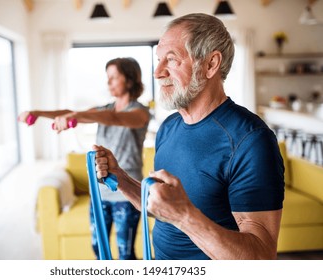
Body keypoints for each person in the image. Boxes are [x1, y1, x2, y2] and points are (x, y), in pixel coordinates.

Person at [93, 13, 285, 260]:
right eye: (158, 59)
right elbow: (162, 208)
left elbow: (261, 258)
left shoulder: (251, 141)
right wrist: (121, 179)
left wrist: (185, 216)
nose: (158, 72)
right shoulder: (169, 127)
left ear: (211, 64)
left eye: (171, 60)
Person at [18, 57, 150, 260]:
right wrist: (39, 113)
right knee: (98, 251)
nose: (109, 83)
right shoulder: (104, 110)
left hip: (127, 194)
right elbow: (72, 113)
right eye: (108, 78)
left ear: (130, 80)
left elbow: (114, 118)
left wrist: (77, 117)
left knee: (126, 255)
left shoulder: (140, 112)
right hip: (99, 193)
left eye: (114, 77)